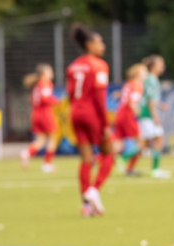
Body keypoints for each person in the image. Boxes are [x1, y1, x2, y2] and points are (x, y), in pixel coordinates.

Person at [66, 23, 114, 217]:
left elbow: (70, 93)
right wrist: (105, 124)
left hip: (75, 113)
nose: (103, 45)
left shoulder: (73, 66)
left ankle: (86, 206)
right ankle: (93, 190)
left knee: (86, 159)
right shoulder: (99, 65)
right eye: (100, 42)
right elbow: (99, 99)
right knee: (109, 154)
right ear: (90, 44)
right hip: (92, 114)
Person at [20, 64, 59, 173]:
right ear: (43, 73)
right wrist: (56, 101)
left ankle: (26, 153)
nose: (52, 73)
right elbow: (45, 99)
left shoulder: (37, 85)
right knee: (53, 138)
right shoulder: (45, 83)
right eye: (49, 71)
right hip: (45, 113)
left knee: (41, 140)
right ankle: (47, 164)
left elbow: (33, 99)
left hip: (35, 113)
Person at [139, 55, 171, 178]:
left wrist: (159, 105)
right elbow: (150, 101)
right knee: (158, 139)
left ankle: (123, 161)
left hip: (146, 114)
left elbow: (149, 98)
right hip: (148, 115)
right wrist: (155, 116)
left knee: (145, 143)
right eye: (160, 64)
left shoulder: (150, 79)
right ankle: (155, 169)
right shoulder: (152, 80)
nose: (163, 67)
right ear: (153, 66)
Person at [114, 63, 148, 176]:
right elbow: (132, 102)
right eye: (144, 72)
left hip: (119, 115)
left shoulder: (128, 84)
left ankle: (98, 159)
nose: (146, 74)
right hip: (127, 116)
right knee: (141, 143)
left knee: (118, 144)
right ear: (138, 74)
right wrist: (137, 111)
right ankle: (126, 163)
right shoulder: (138, 85)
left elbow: (125, 96)